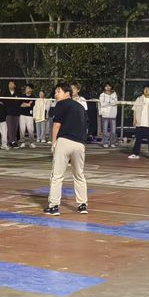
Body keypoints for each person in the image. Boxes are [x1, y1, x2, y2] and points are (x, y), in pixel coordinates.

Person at [44, 81, 88, 216]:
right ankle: (82, 205)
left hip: (65, 142)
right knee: (79, 175)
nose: (56, 94)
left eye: (58, 92)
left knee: (57, 176)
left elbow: (56, 125)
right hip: (80, 144)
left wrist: (53, 143)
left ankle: (54, 206)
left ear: (67, 93)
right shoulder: (80, 107)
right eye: (55, 92)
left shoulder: (61, 104)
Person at [128, 85, 149, 160]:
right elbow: (135, 110)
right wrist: (134, 119)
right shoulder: (139, 99)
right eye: (145, 89)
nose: (146, 90)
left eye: (148, 89)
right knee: (138, 139)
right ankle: (135, 153)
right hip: (140, 123)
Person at [99, 82, 118, 148]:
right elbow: (102, 104)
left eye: (109, 86)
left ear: (111, 87)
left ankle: (112, 142)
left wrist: (108, 102)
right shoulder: (102, 95)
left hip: (113, 114)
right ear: (104, 87)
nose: (108, 87)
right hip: (105, 114)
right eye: (106, 86)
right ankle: (105, 142)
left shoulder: (114, 94)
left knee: (113, 130)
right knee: (105, 130)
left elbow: (115, 102)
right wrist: (110, 102)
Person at [18, 84, 36, 148]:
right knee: (22, 129)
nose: (26, 89)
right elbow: (20, 105)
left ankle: (31, 142)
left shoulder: (33, 97)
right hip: (22, 114)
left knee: (30, 129)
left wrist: (25, 104)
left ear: (31, 89)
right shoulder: (22, 96)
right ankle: (22, 142)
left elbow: (31, 105)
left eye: (28, 88)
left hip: (29, 115)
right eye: (26, 88)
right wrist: (28, 104)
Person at [5, 80, 20, 147]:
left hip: (16, 113)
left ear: (14, 85)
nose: (10, 85)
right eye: (9, 84)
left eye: (12, 84)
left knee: (15, 128)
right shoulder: (5, 93)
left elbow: (19, 102)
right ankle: (10, 141)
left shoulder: (18, 93)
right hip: (8, 113)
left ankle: (14, 141)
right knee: (9, 128)